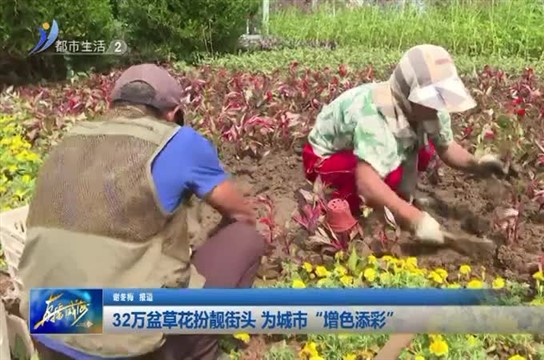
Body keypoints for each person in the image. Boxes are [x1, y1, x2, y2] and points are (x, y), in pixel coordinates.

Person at [17, 64, 265, 360]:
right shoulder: (179, 141)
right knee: (245, 237)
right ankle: (193, 350)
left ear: (114, 106)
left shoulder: (69, 139)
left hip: (47, 322)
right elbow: (242, 215)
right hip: (124, 341)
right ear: (173, 114)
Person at [302, 44, 514, 245]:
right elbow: (367, 182)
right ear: (408, 94)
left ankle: (394, 199)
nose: (437, 105)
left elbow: (446, 148)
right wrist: (414, 219)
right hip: (325, 157)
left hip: (364, 148)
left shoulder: (428, 109)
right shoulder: (376, 116)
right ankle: (339, 210)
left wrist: (478, 164)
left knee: (423, 152)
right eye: (431, 97)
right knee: (384, 177)